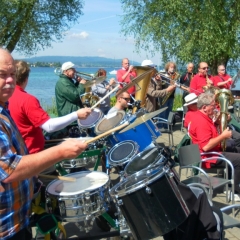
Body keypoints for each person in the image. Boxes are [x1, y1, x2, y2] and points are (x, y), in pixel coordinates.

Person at [0, 48, 87, 240]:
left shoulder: (4, 106)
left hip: (17, 217)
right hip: (6, 228)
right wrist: (61, 151)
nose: (9, 80)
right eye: (2, 75)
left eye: (12, 75)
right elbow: (9, 170)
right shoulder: (25, 99)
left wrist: (31, 180)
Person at [8, 60, 91, 154]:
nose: (75, 71)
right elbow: (49, 126)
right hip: (31, 153)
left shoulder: (6, 97)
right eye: (72, 69)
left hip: (18, 151)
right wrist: (76, 114)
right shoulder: (27, 100)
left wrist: (78, 83)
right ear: (26, 78)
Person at [188, 92, 240, 200]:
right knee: (238, 159)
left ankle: (232, 182)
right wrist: (223, 136)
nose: (215, 107)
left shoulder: (203, 116)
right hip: (208, 157)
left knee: (236, 149)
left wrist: (216, 123)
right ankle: (233, 190)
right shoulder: (201, 122)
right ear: (204, 107)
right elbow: (206, 146)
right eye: (213, 105)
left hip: (213, 152)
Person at [158, 62, 179, 128]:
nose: (172, 69)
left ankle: (167, 126)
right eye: (171, 67)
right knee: (162, 111)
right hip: (164, 95)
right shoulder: (163, 75)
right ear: (167, 68)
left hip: (171, 96)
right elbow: (161, 84)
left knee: (169, 111)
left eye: (173, 67)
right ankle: (160, 126)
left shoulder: (175, 76)